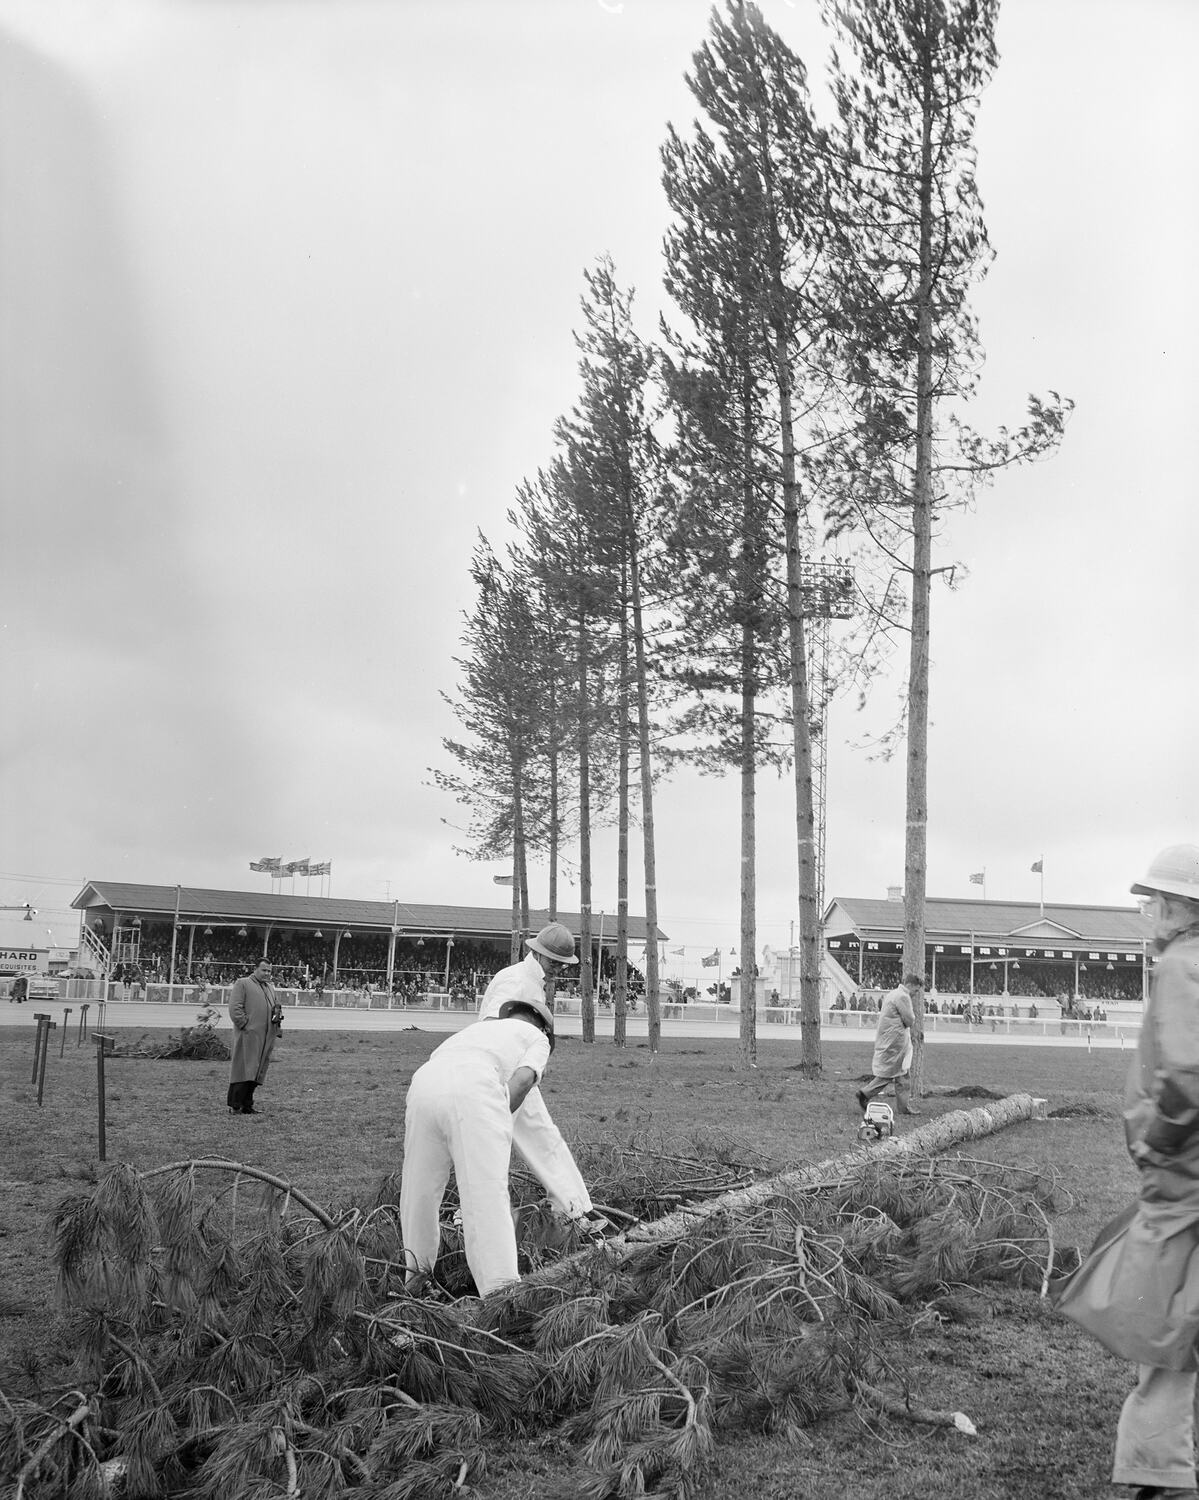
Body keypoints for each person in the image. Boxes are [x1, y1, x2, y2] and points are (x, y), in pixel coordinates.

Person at [1056, 845, 1199, 1498]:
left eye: (1150, 900)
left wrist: (1156, 1143)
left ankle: (1156, 1472)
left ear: (1174, 906)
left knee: (1157, 1324)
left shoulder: (1180, 963)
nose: (1143, 912)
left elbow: (1188, 1074)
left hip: (1182, 1181)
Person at [400, 991, 559, 1295]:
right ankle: (500, 1298)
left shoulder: (476, 1030)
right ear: (544, 1030)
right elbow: (524, 1079)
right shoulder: (536, 1038)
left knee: (418, 1194)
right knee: (484, 1198)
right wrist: (499, 1116)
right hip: (474, 1092)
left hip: (423, 1087)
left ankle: (415, 1284)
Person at [476, 923, 594, 1222]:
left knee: (543, 1135)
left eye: (562, 964)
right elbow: (491, 1027)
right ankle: (474, 1215)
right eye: (554, 962)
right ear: (537, 953)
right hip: (502, 1074)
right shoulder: (515, 981)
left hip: (518, 1070)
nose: (558, 969)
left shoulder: (530, 980)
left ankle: (572, 1208)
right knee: (493, 1142)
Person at [856, 973, 924, 1117]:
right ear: (910, 985)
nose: (916, 994)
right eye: (916, 990)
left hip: (890, 1040)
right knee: (897, 1074)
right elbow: (910, 1020)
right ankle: (866, 1093)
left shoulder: (893, 994)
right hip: (896, 1042)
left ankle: (902, 1106)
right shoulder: (903, 997)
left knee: (899, 1074)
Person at [226, 957, 283, 1115]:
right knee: (243, 1070)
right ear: (255, 969)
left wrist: (277, 1024)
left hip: (265, 1037)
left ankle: (247, 1104)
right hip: (249, 1036)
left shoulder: (270, 988)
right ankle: (235, 1105)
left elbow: (276, 1007)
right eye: (264, 970)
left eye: (269, 971)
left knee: (256, 1072)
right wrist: (245, 1025)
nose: (267, 973)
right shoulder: (243, 983)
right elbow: (235, 1008)